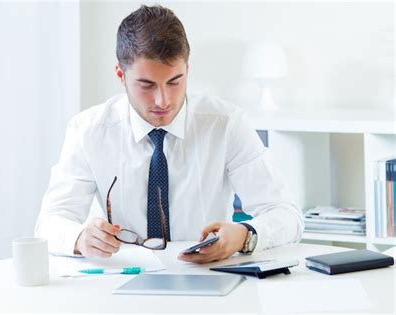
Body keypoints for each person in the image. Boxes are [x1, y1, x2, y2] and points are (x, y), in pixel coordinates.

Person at [34, 4, 304, 263]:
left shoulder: (226, 124)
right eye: (146, 84)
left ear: (187, 69)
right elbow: (49, 223)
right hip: (120, 279)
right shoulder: (88, 131)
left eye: (175, 82)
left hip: (208, 279)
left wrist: (245, 235)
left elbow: (287, 214)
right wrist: (79, 237)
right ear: (121, 74)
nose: (163, 100)